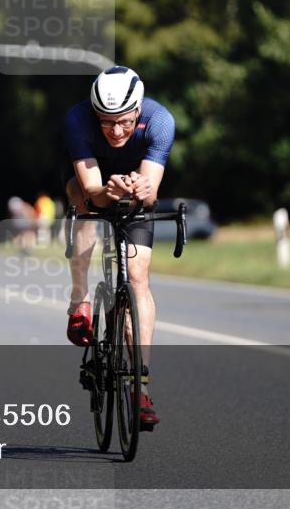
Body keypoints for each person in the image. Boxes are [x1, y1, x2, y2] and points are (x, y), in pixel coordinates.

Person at [62, 66, 174, 429]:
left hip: (135, 190)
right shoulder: (78, 119)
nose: (116, 131)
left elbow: (151, 194)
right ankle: (79, 299)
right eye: (107, 122)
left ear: (138, 110)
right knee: (82, 203)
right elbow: (93, 190)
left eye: (125, 122)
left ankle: (140, 387)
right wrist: (107, 191)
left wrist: (142, 190)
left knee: (137, 278)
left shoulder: (160, 121)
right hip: (93, 185)